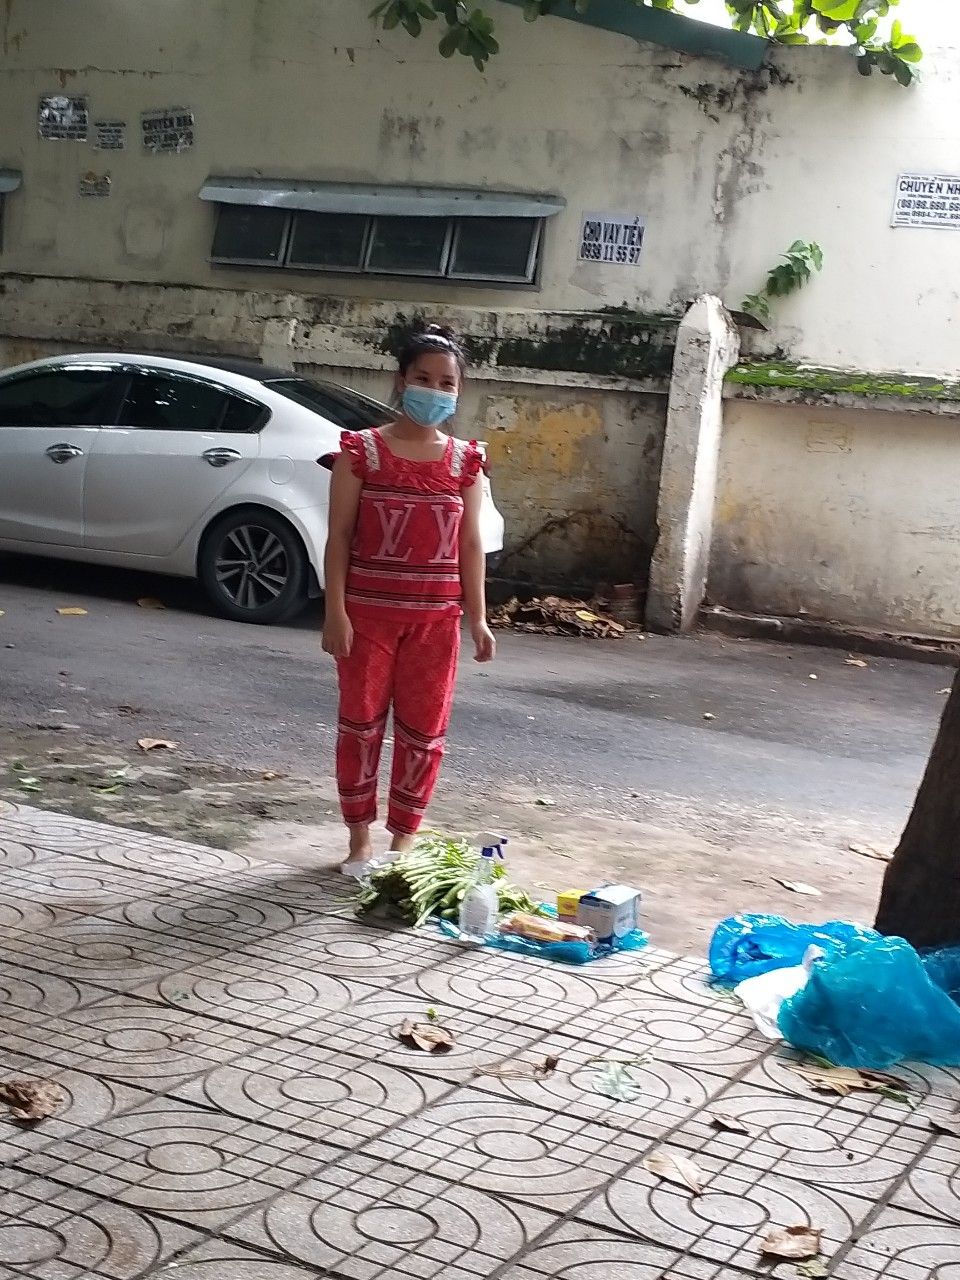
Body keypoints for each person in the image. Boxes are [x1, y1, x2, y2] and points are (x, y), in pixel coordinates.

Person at [321, 323, 497, 875]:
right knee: (360, 726)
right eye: (423, 378)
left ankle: (403, 843)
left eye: (446, 383)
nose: (434, 390)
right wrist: (334, 612)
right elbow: (339, 537)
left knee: (424, 732)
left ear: (458, 392)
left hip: (437, 623)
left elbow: (470, 543)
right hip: (367, 618)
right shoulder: (361, 452)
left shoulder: (466, 461)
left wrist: (478, 619)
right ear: (401, 380)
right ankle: (359, 842)